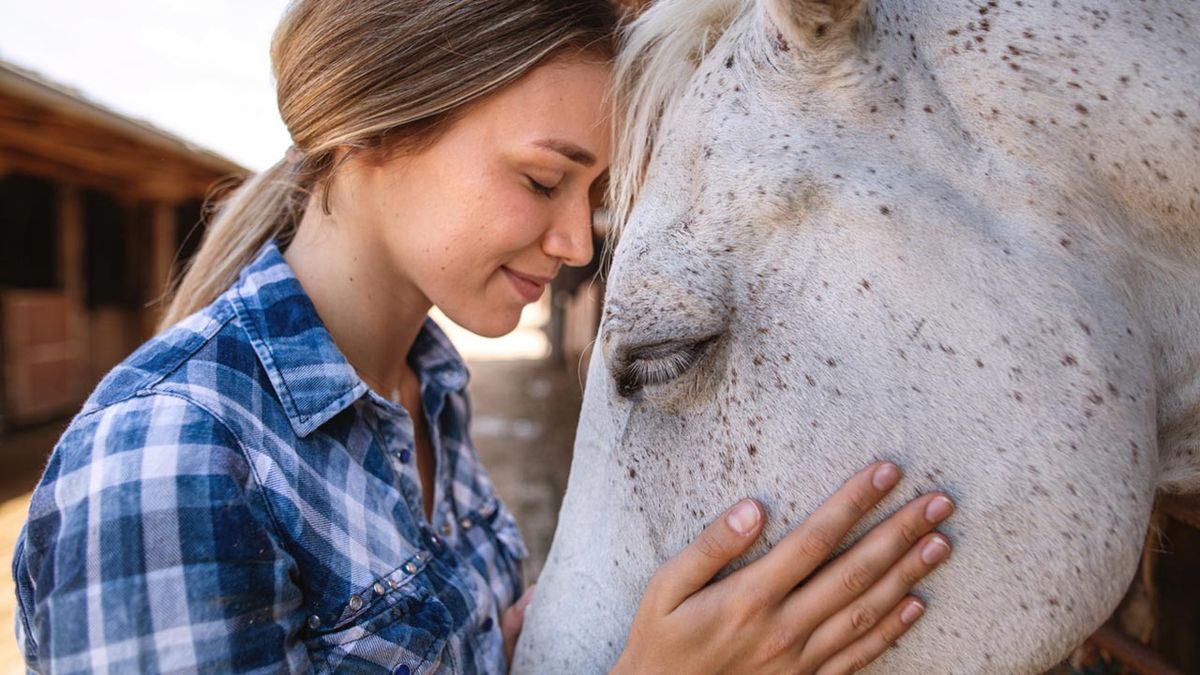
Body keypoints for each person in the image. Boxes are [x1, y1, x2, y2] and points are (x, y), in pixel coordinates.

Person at [12, 1, 955, 673]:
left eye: (594, 197)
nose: (579, 242)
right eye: (546, 181)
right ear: (373, 130)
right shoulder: (167, 459)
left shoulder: (427, 388)